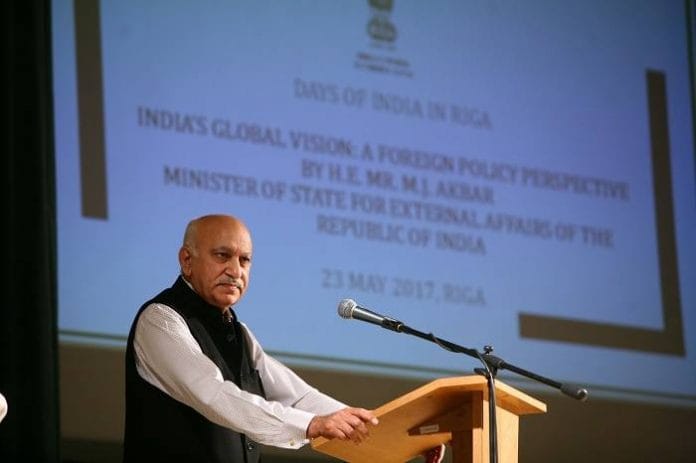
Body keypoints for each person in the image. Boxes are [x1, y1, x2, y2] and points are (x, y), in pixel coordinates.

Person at [123, 214, 378, 463]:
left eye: (244, 260)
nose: (235, 271)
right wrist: (311, 424)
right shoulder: (160, 319)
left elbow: (298, 397)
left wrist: (369, 426)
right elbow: (213, 395)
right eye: (222, 256)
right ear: (187, 260)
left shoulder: (239, 332)